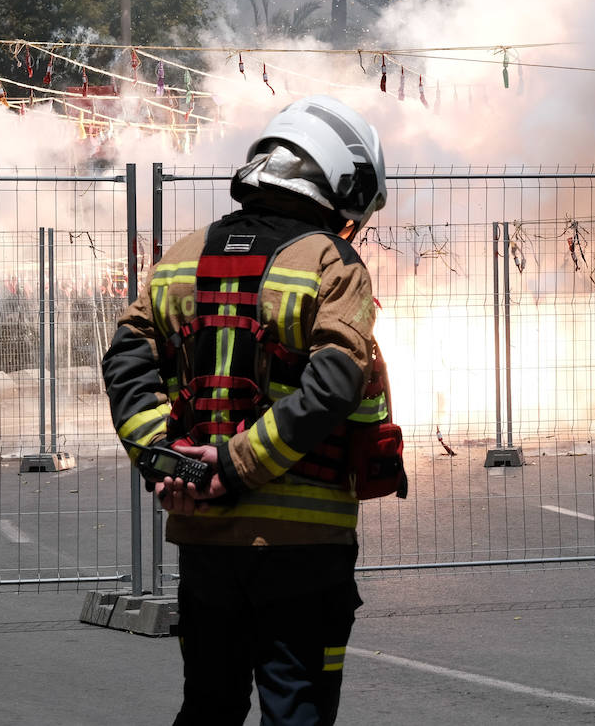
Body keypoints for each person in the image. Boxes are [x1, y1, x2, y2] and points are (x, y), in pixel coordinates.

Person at [101, 95, 388, 725]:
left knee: (208, 708)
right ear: (340, 182)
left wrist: (168, 466)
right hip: (304, 547)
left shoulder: (180, 255)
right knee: (296, 714)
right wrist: (232, 466)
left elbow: (126, 361)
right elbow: (337, 384)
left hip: (204, 541)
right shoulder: (331, 263)